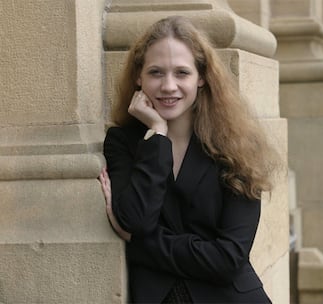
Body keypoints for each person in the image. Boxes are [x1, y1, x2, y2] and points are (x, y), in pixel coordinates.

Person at [99, 15, 278, 304]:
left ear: (202, 77)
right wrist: (157, 135)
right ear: (138, 76)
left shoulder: (238, 146)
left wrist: (141, 244)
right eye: (156, 72)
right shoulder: (124, 142)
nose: (169, 86)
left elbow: (228, 259)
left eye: (182, 73)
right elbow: (135, 220)